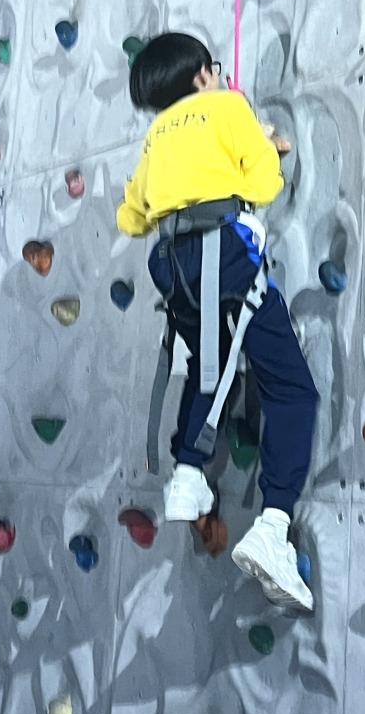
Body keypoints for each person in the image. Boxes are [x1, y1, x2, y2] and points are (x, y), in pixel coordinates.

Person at [117, 32, 318, 612]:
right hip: (224, 256)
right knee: (290, 389)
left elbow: (131, 217)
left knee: (212, 364)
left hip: (172, 267)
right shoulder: (227, 105)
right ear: (204, 73)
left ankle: (188, 472)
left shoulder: (155, 136)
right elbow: (263, 183)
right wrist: (259, 144)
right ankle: (273, 526)